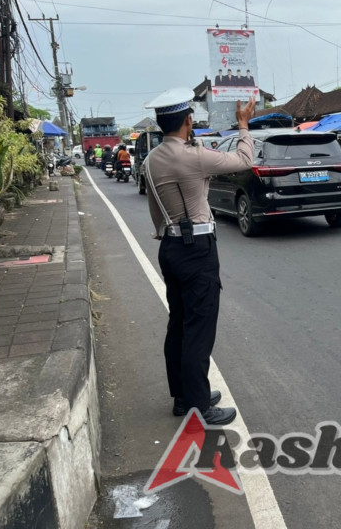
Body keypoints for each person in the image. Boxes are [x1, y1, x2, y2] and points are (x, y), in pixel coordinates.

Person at [142, 87, 256, 426]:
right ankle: (199, 405)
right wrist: (243, 125)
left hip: (171, 247)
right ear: (189, 120)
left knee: (179, 323)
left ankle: (184, 396)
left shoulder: (153, 158)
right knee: (199, 329)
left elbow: (155, 212)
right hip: (197, 250)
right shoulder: (192, 157)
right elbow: (245, 161)